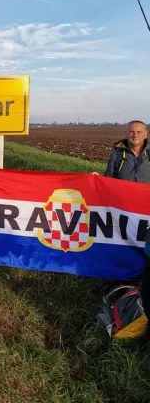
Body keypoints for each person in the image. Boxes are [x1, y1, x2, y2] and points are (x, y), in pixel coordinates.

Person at [98, 121, 150, 331]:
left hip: (146, 211)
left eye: (138, 131)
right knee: (123, 245)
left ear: (146, 133)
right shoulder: (117, 155)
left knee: (144, 246)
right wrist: (96, 182)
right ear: (126, 133)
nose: (134, 135)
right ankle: (122, 281)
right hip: (123, 211)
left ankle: (141, 283)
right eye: (131, 131)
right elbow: (108, 180)